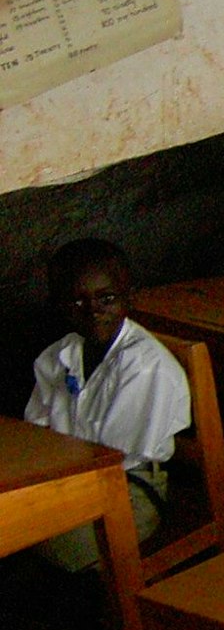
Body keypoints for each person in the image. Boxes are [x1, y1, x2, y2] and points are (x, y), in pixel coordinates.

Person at [25, 239, 189, 571]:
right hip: (71, 481)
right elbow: (36, 430)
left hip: (128, 493)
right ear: (59, 304)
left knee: (38, 537)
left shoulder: (144, 367)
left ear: (129, 297)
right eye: (77, 301)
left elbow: (115, 458)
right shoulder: (59, 356)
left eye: (107, 298)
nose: (93, 310)